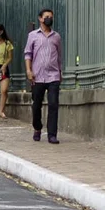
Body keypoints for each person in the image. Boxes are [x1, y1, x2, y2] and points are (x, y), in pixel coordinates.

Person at [25, 8, 63, 144]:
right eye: (46, 16)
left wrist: (60, 72)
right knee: (36, 105)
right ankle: (37, 127)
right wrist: (29, 70)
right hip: (37, 76)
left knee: (53, 104)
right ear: (40, 19)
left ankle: (52, 134)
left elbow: (59, 56)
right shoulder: (33, 36)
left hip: (53, 76)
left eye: (51, 17)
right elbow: (28, 54)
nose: (49, 19)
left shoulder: (56, 37)